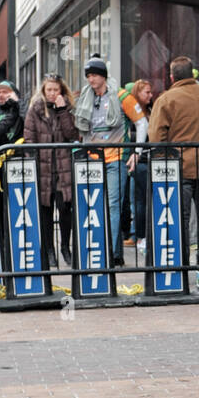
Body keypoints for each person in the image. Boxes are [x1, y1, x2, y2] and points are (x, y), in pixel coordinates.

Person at [149, 56, 199, 253]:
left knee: (179, 218)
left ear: (172, 77)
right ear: (192, 73)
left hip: (177, 169)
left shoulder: (166, 99)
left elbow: (156, 136)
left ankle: (180, 263)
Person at [23, 73, 81, 269]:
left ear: (61, 91)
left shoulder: (67, 109)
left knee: (65, 209)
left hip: (62, 168)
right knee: (45, 211)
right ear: (43, 90)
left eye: (56, 89)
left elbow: (72, 134)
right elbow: (29, 138)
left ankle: (65, 246)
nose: (52, 93)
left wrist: (63, 109)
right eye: (49, 89)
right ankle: (49, 250)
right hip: (43, 168)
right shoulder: (35, 110)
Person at [73, 55, 127, 265]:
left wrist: (136, 152)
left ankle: (112, 253)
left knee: (113, 205)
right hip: (92, 158)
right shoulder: (86, 97)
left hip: (115, 158)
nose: (91, 80)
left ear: (103, 76)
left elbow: (141, 122)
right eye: (88, 76)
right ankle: (104, 249)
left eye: (94, 75)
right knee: (96, 205)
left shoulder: (120, 95)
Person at [117, 78, 153, 250]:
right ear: (137, 93)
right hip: (135, 162)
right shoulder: (130, 112)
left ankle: (138, 234)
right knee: (135, 201)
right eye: (147, 92)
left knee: (139, 201)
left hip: (145, 160)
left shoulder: (151, 110)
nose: (150, 95)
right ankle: (137, 235)